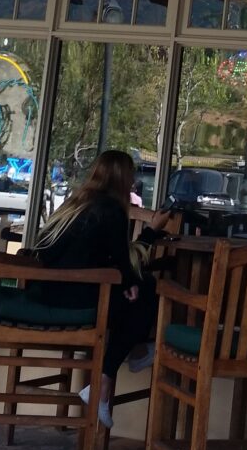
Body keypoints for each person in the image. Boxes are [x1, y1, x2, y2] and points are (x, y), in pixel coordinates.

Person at [32, 150, 167, 425]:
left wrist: (127, 280)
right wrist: (152, 232)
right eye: (131, 175)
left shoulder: (74, 203)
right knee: (147, 288)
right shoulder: (111, 210)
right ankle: (109, 376)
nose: (133, 181)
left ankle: (136, 353)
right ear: (122, 178)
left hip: (47, 294)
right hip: (78, 299)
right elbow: (122, 259)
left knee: (134, 293)